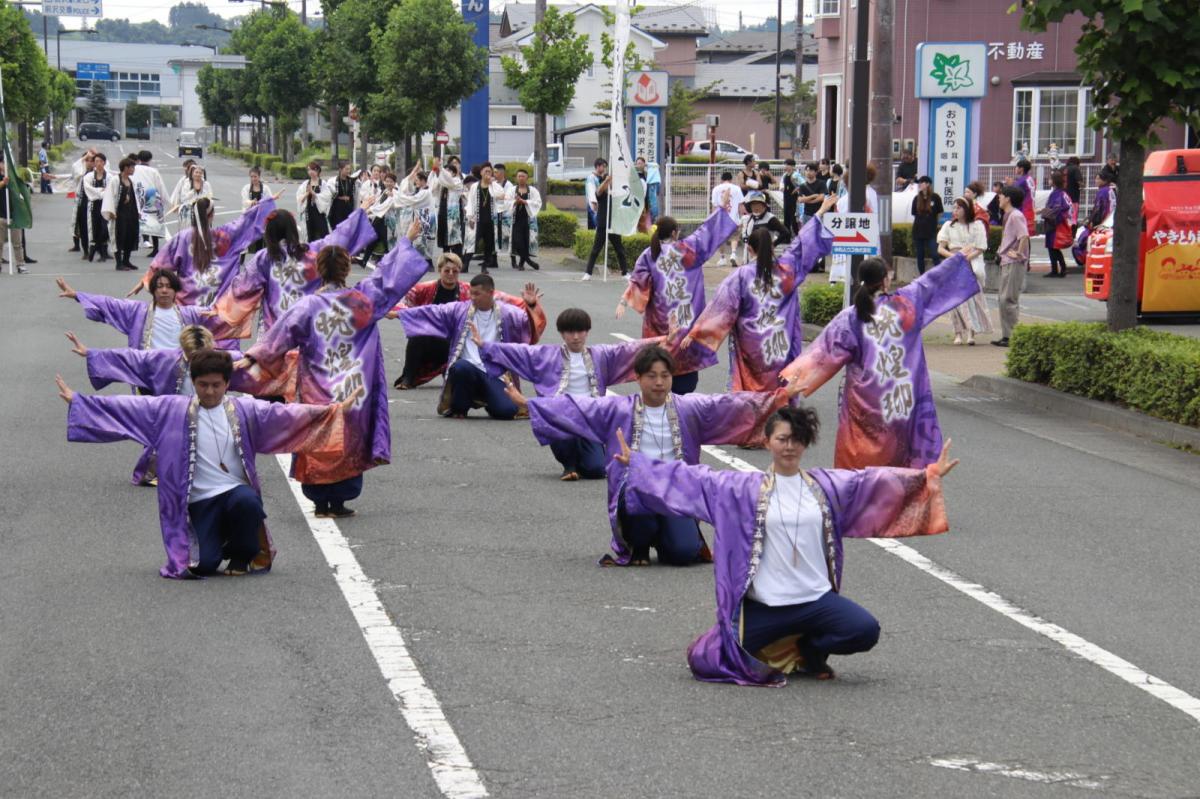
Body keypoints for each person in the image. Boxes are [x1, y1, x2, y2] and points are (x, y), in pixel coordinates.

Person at [615, 405, 958, 685]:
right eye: (782, 439)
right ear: (768, 442)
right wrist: (641, 465)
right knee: (707, 660)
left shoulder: (826, 488)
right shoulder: (738, 489)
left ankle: (810, 648)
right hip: (764, 605)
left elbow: (873, 482)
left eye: (796, 439)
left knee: (865, 631)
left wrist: (925, 476)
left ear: (805, 443)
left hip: (815, 600)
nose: (789, 446)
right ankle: (767, 640)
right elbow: (691, 478)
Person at [58, 350, 356, 578]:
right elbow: (127, 406)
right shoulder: (169, 410)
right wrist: (80, 402)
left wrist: (332, 411)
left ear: (227, 383)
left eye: (216, 385)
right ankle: (219, 542)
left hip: (233, 492)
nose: (210, 391)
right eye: (202, 385)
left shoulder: (245, 410)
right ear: (193, 382)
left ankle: (242, 552)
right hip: (199, 501)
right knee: (203, 565)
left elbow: (289, 415)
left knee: (247, 502)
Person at [515, 345, 800, 566]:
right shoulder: (618, 409)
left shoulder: (690, 408)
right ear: (638, 378)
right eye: (651, 376)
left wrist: (777, 397)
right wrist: (532, 404)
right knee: (637, 494)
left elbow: (731, 404)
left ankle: (669, 535)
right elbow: (577, 408)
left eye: (665, 375)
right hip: (636, 487)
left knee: (682, 554)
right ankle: (638, 543)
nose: (659, 382)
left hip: (678, 489)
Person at [239, 224, 429, 518]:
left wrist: (253, 358)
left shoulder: (308, 305)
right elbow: (387, 278)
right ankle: (340, 500)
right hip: (353, 384)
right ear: (346, 269)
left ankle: (319, 501)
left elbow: (278, 336)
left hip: (317, 382)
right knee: (349, 434)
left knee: (317, 433)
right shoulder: (363, 299)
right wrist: (406, 239)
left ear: (318, 270)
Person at [780, 250, 982, 469]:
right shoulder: (907, 303)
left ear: (861, 281)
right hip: (901, 398)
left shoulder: (850, 317)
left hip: (864, 400)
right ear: (886, 280)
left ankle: (859, 492)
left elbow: (823, 353)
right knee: (901, 457)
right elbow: (931, 281)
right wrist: (958, 260)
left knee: (860, 456)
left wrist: (794, 382)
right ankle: (902, 494)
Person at [682, 196, 836, 399]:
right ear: (772, 247)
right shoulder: (786, 270)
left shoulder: (740, 276)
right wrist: (820, 212)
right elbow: (801, 244)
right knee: (781, 397)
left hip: (751, 349)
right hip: (780, 346)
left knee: (750, 402)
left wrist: (695, 333)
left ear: (750, 249)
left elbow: (720, 309)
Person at [479, 308, 658, 480]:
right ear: (562, 334)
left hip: (590, 417)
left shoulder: (601, 355)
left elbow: (630, 349)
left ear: (587, 332)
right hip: (560, 415)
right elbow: (518, 351)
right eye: (570, 332)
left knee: (596, 470)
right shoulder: (546, 355)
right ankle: (569, 465)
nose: (575, 337)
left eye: (580, 331)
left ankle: (587, 457)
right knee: (559, 418)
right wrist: (485, 345)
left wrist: (665, 340)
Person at [617, 209, 739, 394]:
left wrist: (624, 302)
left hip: (660, 325)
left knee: (659, 368)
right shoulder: (688, 250)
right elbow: (707, 232)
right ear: (675, 233)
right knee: (686, 377)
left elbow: (637, 283)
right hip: (686, 326)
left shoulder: (649, 254)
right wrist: (721, 209)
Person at [222, 195, 378, 337]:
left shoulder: (263, 259)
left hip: (273, 333)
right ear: (292, 229)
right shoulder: (312, 253)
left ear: (269, 233)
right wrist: (360, 213)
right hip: (306, 328)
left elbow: (240, 289)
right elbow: (339, 237)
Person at [398, 273, 545, 419]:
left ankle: (490, 398)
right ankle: (460, 405)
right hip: (467, 368)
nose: (472, 297)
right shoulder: (460, 310)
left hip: (496, 374)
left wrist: (531, 306)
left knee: (506, 411)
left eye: (477, 294)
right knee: (460, 367)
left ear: (490, 293)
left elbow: (530, 330)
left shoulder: (508, 313)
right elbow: (432, 312)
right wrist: (400, 314)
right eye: (471, 293)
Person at [388, 254, 533, 390]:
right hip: (430, 339)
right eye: (447, 271)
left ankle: (467, 378)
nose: (451, 274)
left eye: (455, 271)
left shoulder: (470, 290)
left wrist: (529, 305)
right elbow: (402, 297)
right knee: (417, 335)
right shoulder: (425, 288)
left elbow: (499, 298)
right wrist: (398, 312)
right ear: (439, 271)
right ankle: (408, 377)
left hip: (456, 342)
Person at [134, 196, 277, 307]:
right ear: (211, 215)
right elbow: (245, 222)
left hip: (187, 306)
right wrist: (266, 203)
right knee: (218, 343)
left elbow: (160, 265)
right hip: (218, 307)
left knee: (188, 342)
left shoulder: (182, 238)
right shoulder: (225, 236)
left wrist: (146, 279)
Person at [58, 269, 216, 352]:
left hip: (178, 376)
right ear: (153, 291)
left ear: (175, 291)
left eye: (169, 287)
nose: (164, 291)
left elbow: (220, 312)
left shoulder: (189, 314)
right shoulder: (137, 312)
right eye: (160, 287)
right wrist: (77, 295)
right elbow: (108, 303)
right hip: (147, 375)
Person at [937, 198, 993, 345]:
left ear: (966, 210)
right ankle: (958, 334)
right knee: (955, 301)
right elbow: (941, 248)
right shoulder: (949, 226)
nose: (955, 211)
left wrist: (967, 258)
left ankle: (971, 333)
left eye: (958, 208)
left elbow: (981, 247)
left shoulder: (977, 226)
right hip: (955, 264)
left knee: (972, 299)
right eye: (954, 208)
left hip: (971, 264)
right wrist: (956, 257)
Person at [992, 186, 1030, 348]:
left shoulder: (1015, 215)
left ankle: (1014, 336)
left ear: (1008, 198)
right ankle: (1007, 336)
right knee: (1003, 299)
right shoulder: (1009, 215)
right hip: (1006, 260)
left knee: (1008, 299)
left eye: (1001, 196)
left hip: (1013, 262)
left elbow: (1024, 236)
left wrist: (1019, 254)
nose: (999, 198)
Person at [582, 159, 630, 280]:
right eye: (609, 182)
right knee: (596, 249)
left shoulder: (616, 194)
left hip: (614, 224)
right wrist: (606, 181)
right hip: (603, 223)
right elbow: (598, 192)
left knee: (620, 249)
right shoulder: (602, 193)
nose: (611, 184)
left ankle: (625, 273)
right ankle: (588, 273)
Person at [102, 157, 142, 272]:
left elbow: (136, 198)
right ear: (125, 168)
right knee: (119, 237)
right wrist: (111, 211)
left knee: (130, 236)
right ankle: (119, 263)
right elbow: (109, 196)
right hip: (119, 213)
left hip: (131, 213)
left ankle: (126, 260)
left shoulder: (131, 181)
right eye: (132, 167)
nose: (133, 169)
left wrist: (138, 211)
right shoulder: (115, 180)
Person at [392, 166, 435, 263]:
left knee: (423, 241)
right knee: (420, 241)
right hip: (422, 218)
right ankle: (422, 261)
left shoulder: (425, 192)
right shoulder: (421, 191)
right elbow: (410, 196)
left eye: (417, 180)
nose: (416, 182)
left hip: (426, 218)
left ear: (423, 181)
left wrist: (396, 195)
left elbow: (412, 200)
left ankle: (426, 262)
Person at [463, 163, 500, 274]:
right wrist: (470, 217)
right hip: (478, 219)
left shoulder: (494, 185)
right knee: (472, 242)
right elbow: (470, 202)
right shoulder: (475, 186)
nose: (487, 173)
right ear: (481, 173)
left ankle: (484, 266)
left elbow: (501, 195)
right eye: (485, 171)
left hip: (490, 220)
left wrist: (492, 183)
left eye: (489, 171)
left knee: (489, 244)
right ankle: (466, 265)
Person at [739, 191, 791, 264]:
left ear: (764, 205)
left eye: (758, 204)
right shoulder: (750, 218)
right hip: (750, 256)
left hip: (765, 256)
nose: (755, 207)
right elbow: (746, 237)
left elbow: (786, 233)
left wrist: (773, 244)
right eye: (753, 204)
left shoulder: (770, 218)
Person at [133, 150, 168, 257]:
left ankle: (131, 245)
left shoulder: (134, 169)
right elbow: (160, 186)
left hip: (137, 196)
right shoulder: (153, 171)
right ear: (150, 159)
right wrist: (165, 199)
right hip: (152, 197)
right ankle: (156, 248)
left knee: (136, 222)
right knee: (154, 223)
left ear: (138, 158)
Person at [505, 168, 542, 271]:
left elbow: (538, 202)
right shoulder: (512, 190)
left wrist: (525, 202)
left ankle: (521, 263)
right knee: (517, 241)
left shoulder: (533, 191)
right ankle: (529, 261)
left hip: (528, 220)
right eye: (519, 176)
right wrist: (516, 202)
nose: (521, 178)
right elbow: (507, 202)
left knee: (526, 242)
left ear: (527, 178)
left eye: (523, 176)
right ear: (516, 178)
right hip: (516, 220)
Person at [1040, 170, 1074, 278]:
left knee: (1053, 247)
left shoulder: (1056, 194)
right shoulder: (1063, 193)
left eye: (1050, 179)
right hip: (1059, 222)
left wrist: (1045, 212)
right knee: (1053, 247)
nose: (1049, 180)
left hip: (1055, 223)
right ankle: (1060, 269)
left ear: (1054, 181)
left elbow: (1056, 208)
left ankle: (1058, 269)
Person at [430, 155, 464, 259]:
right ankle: (446, 257)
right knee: (444, 236)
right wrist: (435, 170)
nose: (446, 172)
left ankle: (457, 258)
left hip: (453, 214)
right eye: (446, 170)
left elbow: (449, 181)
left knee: (454, 236)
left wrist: (440, 167)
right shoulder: (442, 183)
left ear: (454, 173)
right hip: (442, 212)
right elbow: (432, 187)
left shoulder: (457, 181)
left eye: (449, 170)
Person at [709, 171, 745, 266]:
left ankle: (722, 258)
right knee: (735, 237)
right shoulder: (737, 188)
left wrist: (714, 218)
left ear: (721, 179)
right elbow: (741, 205)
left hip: (721, 218)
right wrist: (742, 217)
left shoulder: (716, 189)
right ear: (731, 179)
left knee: (720, 238)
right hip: (734, 218)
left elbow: (715, 206)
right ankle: (733, 254)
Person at [910, 176, 944, 274]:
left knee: (935, 254)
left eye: (922, 182)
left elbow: (940, 212)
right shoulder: (916, 198)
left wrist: (935, 223)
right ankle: (922, 276)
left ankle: (940, 275)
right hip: (918, 231)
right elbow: (914, 213)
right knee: (920, 255)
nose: (919, 185)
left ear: (928, 184)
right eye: (919, 183)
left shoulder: (935, 197)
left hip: (931, 231)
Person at [0, 161, 27, 274]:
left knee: (17, 243)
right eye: (2, 163)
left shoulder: (12, 177)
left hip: (14, 216)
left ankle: (20, 265)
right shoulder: (3, 179)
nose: (4, 165)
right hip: (1, 216)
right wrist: (3, 183)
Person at [69, 149, 97, 254]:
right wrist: (84, 157)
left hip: (95, 204)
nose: (89, 163)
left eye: (92, 160)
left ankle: (100, 250)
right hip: (82, 203)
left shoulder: (99, 173)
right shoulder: (81, 174)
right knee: (83, 228)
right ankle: (85, 250)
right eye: (87, 160)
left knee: (98, 228)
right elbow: (75, 168)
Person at [297, 161, 333, 242]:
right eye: (309, 170)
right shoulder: (305, 184)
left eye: (313, 170)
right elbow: (299, 198)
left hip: (319, 212)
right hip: (309, 212)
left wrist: (314, 194)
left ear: (317, 171)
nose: (310, 172)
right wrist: (307, 193)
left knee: (323, 233)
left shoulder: (322, 183)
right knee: (310, 234)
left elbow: (327, 197)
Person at [490, 163, 513, 266]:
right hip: (494, 215)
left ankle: (513, 261)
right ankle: (493, 260)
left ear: (502, 172)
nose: (493, 174)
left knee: (509, 237)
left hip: (506, 216)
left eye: (495, 172)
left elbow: (508, 198)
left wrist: (498, 196)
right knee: (494, 237)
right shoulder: (492, 183)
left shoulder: (509, 185)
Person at [327, 161, 357, 231]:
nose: (348, 171)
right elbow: (330, 194)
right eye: (346, 169)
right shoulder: (334, 181)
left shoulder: (351, 180)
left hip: (348, 208)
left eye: (349, 169)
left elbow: (354, 194)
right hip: (337, 209)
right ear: (340, 169)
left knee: (348, 229)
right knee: (338, 228)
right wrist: (340, 197)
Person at [1013, 158, 1037, 237]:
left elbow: (1014, 192)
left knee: (1022, 235)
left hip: (1024, 210)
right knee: (1026, 236)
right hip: (1031, 209)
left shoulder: (1021, 181)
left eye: (1017, 167)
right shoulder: (1029, 178)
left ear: (1021, 169)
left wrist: (1010, 185)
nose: (1015, 169)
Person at [781, 158, 799, 235]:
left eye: (787, 165)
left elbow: (803, 184)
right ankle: (787, 236)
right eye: (785, 164)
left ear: (792, 166)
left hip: (793, 199)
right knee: (786, 218)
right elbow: (782, 184)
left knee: (793, 218)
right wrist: (781, 187)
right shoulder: (785, 175)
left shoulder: (795, 175)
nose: (785, 166)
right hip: (786, 198)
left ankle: (798, 235)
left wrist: (797, 189)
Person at [585, 159, 604, 230]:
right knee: (597, 228)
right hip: (594, 206)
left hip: (598, 206)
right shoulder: (591, 178)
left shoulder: (599, 177)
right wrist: (594, 205)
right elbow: (591, 192)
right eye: (603, 166)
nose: (604, 168)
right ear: (598, 166)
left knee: (594, 228)